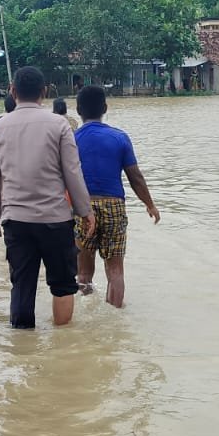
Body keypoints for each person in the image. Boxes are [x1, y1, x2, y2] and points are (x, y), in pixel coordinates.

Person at [0, 66, 95, 329]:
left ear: (12, 91)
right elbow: (72, 172)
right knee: (63, 285)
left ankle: (23, 351)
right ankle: (63, 348)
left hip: (15, 221)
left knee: (22, 284)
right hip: (55, 219)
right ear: (44, 92)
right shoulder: (59, 125)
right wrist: (84, 210)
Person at [71, 84, 160, 307]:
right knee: (115, 270)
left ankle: (88, 312)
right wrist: (150, 204)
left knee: (83, 271)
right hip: (114, 205)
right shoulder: (120, 138)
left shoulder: (72, 139)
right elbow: (135, 176)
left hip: (84, 207)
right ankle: (115, 316)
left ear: (78, 110)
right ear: (105, 108)